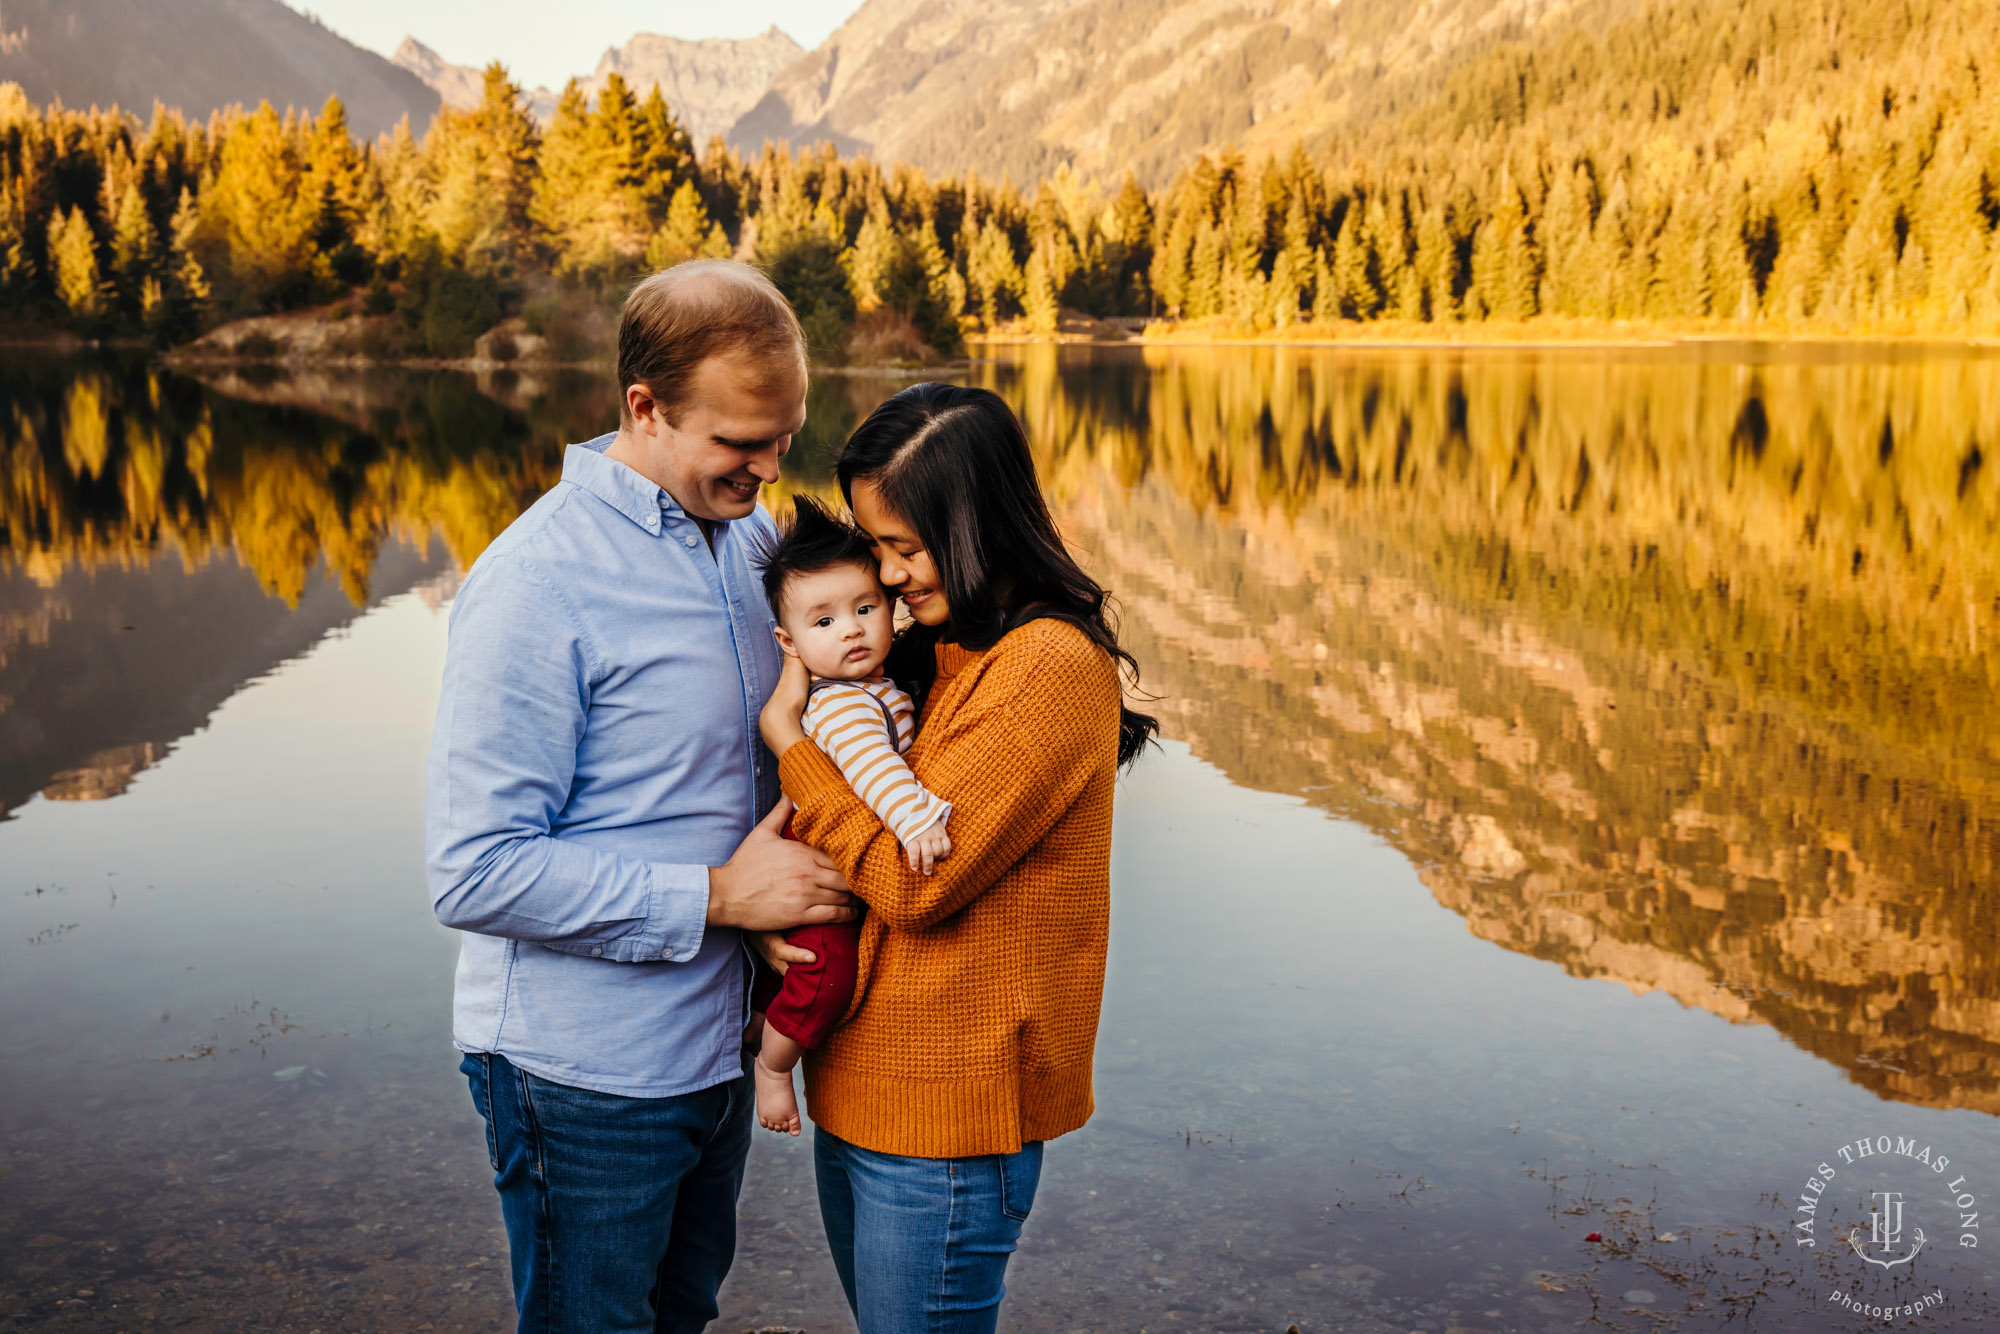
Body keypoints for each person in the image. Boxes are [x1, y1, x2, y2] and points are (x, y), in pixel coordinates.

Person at [424, 259, 856, 1334]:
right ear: (644, 408)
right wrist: (719, 895)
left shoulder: (754, 542)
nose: (766, 467)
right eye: (739, 442)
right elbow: (474, 867)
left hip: (717, 1049)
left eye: (783, 437)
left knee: (679, 1317)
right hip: (584, 1072)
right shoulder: (534, 581)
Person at [755, 382, 1158, 1334]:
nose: (887, 578)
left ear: (974, 522)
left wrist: (794, 747)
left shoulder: (1047, 668)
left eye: (903, 546)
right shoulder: (947, 650)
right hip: (866, 1086)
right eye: (875, 547)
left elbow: (909, 882)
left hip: (949, 1117)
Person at [748, 497, 956, 1139]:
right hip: (819, 857)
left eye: (866, 609)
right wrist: (918, 820)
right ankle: (775, 1068)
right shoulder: (842, 707)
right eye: (825, 620)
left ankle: (766, 1024)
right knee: (828, 974)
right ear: (789, 643)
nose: (852, 630)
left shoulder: (875, 687)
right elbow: (874, 771)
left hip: (837, 845)